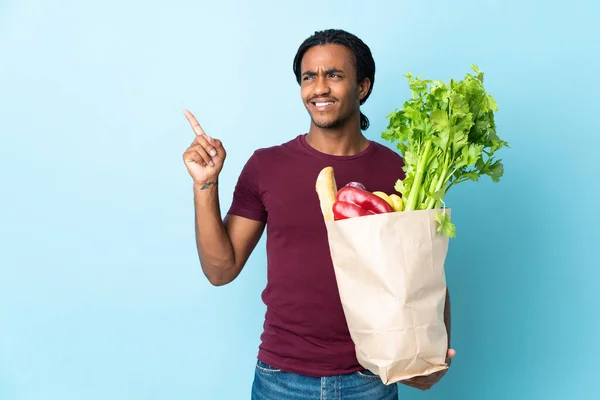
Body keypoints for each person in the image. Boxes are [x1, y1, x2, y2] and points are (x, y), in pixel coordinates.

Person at [182, 29, 456, 399]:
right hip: (281, 379)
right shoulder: (268, 166)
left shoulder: (404, 172)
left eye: (334, 75)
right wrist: (205, 185)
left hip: (372, 379)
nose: (319, 88)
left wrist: (431, 357)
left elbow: (426, 273)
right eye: (309, 77)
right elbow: (221, 269)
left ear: (363, 86)